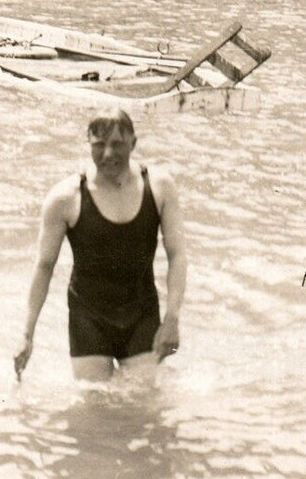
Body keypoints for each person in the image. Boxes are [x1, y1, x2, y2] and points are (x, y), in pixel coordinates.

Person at [14, 109, 187, 382]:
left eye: (117, 144)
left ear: (134, 143)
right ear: (89, 146)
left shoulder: (160, 187)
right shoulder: (65, 198)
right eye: (99, 145)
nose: (108, 154)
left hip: (142, 314)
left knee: (143, 408)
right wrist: (26, 335)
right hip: (89, 318)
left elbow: (177, 255)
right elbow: (44, 266)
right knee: (94, 408)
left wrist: (172, 319)